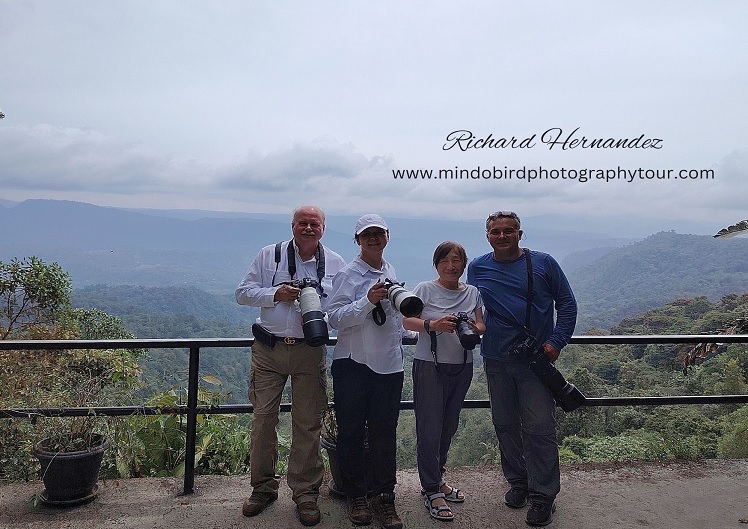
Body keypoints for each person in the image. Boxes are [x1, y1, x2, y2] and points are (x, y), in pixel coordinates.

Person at [235, 206, 346, 527]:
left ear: (323, 228)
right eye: (303, 223)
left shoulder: (336, 263)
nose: (308, 228)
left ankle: (306, 493)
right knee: (263, 420)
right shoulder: (269, 255)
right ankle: (263, 488)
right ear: (293, 226)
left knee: (308, 424)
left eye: (314, 224)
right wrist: (276, 294)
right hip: (268, 348)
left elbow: (339, 306)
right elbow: (242, 293)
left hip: (310, 351)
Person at [467, 211, 577, 528]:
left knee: (539, 428)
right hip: (496, 359)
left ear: (519, 233)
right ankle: (519, 482)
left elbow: (566, 303)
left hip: (534, 361)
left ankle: (543, 497)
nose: (502, 236)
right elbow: (471, 305)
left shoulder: (543, 263)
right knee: (505, 424)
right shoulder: (477, 266)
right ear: (487, 235)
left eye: (508, 231)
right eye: (495, 232)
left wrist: (556, 342)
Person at [326, 214, 405, 529]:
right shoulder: (348, 274)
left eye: (378, 233)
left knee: (385, 433)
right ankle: (356, 495)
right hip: (354, 364)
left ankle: (385, 496)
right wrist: (366, 301)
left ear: (387, 236)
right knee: (352, 433)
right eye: (366, 235)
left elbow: (393, 319)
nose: (373, 239)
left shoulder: (389, 269)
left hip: (389, 363)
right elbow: (335, 317)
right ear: (357, 240)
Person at [402, 241, 486, 522]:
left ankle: (438, 479)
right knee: (429, 427)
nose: (451, 266)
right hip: (429, 366)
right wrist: (433, 325)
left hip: (462, 367)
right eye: (445, 261)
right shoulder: (425, 289)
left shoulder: (472, 292)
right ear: (436, 264)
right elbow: (407, 322)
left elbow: (482, 324)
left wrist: (471, 327)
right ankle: (430, 490)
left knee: (448, 426)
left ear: (464, 264)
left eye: (457, 261)